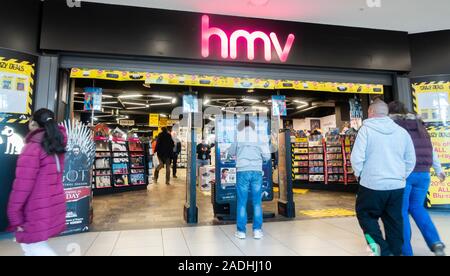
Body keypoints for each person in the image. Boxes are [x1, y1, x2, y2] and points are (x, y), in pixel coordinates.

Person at [351, 99, 416, 256]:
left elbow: (357, 158)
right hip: (397, 186)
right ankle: (395, 252)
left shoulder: (366, 130)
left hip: (371, 185)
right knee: (394, 221)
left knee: (365, 216)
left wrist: (360, 175)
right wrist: (401, 176)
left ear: (371, 112)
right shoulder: (402, 132)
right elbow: (410, 159)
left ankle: (381, 250)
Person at [389, 101, 446, 256]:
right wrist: (438, 169)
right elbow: (431, 150)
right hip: (424, 174)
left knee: (401, 211)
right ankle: (435, 242)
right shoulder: (420, 126)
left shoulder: (395, 128)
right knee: (417, 207)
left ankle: (405, 251)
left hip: (405, 174)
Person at [7, 109, 67, 256]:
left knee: (32, 246)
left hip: (35, 206)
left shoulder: (33, 147)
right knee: (33, 246)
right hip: (51, 203)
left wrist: (14, 214)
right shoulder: (55, 143)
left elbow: (22, 185)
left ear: (33, 123)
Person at [229, 117, 271, 240]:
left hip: (242, 170)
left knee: (242, 202)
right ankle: (257, 231)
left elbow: (231, 152)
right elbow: (267, 156)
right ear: (253, 127)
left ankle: (241, 232)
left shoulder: (238, 136)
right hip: (257, 171)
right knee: (257, 202)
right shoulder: (260, 137)